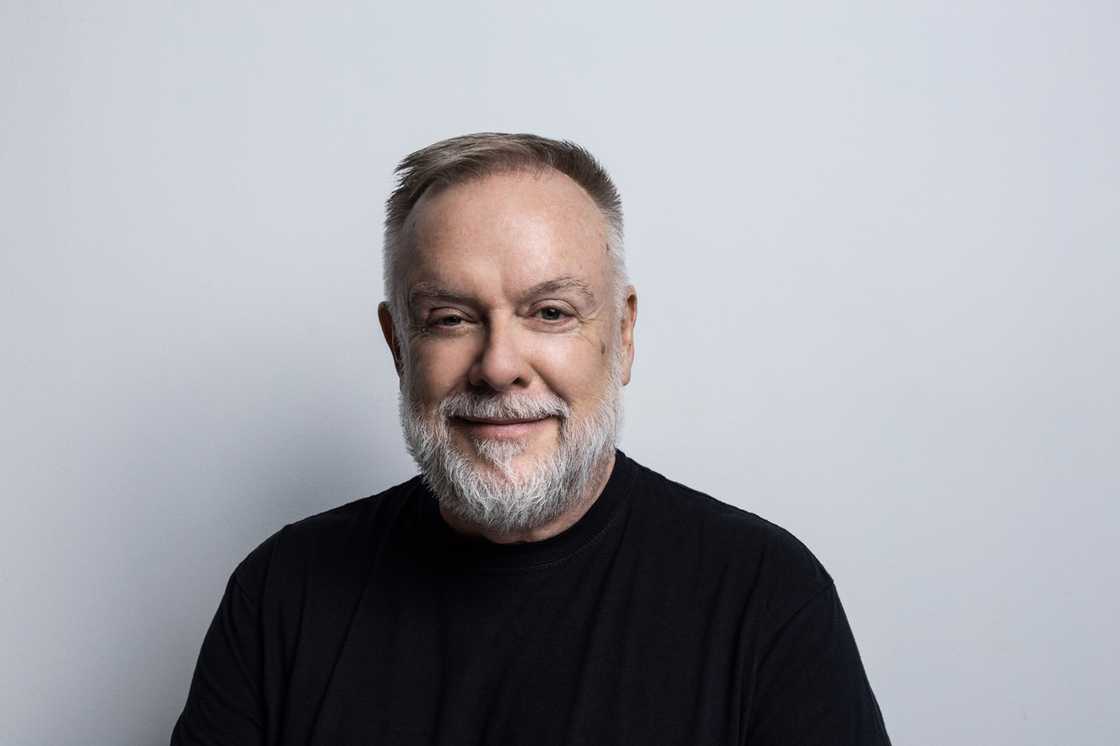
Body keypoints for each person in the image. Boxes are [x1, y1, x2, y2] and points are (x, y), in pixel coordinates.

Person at [171, 133, 891, 745]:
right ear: (399, 347)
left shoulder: (765, 600)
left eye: (549, 312)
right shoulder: (283, 594)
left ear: (623, 334)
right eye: (451, 318)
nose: (499, 366)